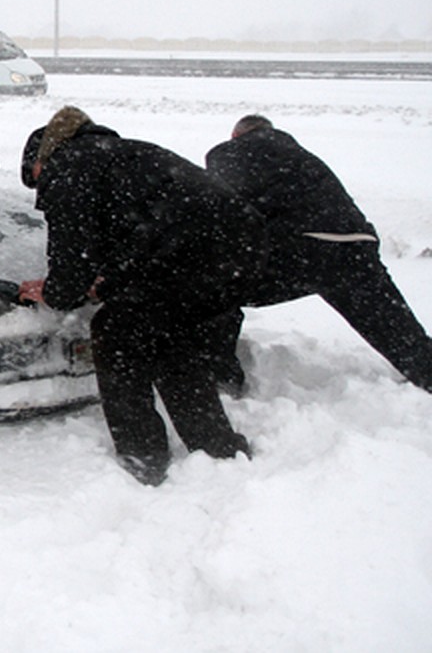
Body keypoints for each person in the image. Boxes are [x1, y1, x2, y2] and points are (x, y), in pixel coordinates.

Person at [19, 106, 264, 485]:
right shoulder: (117, 155)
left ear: (41, 160)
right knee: (171, 341)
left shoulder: (68, 168)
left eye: (34, 179)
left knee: (117, 333)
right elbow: (144, 236)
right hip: (237, 250)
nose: (39, 188)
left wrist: (56, 291)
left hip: (195, 254)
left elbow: (73, 257)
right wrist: (102, 282)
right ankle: (217, 446)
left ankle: (143, 456)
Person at [206, 114, 432, 392]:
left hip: (297, 249)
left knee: (214, 292)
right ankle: (426, 372)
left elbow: (226, 209)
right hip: (356, 245)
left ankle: (221, 379)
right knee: (397, 330)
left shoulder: (226, 153)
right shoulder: (304, 157)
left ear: (235, 136)